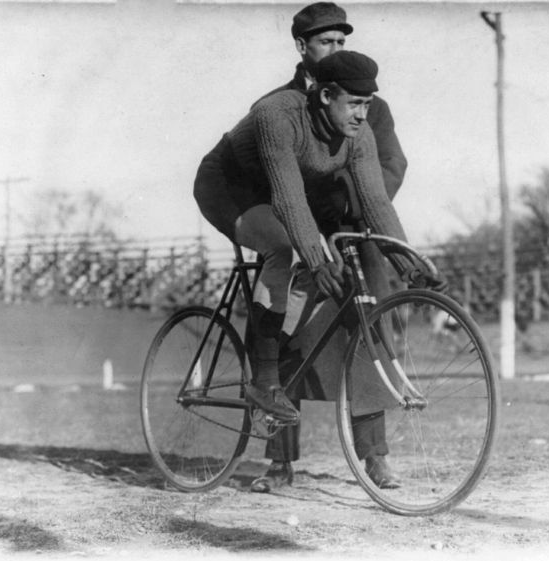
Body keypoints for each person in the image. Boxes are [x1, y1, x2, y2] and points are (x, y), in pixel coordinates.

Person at [193, 50, 429, 492]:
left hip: (286, 199)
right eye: (354, 104)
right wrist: (317, 260)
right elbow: (287, 199)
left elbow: (376, 201)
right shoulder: (277, 114)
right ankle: (265, 381)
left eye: (367, 104)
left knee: (311, 286)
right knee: (286, 245)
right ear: (323, 95)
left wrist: (409, 262)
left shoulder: (357, 132)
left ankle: (287, 370)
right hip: (231, 189)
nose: (363, 114)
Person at [248, 2, 409, 494]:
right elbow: (268, 179)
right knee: (286, 330)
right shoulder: (276, 107)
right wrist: (302, 232)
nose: (336, 50)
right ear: (302, 47)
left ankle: (375, 454)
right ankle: (279, 461)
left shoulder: (370, 105)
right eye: (326, 42)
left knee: (370, 331)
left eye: (342, 41)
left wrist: (348, 209)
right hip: (296, 233)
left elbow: (388, 167)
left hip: (354, 233)